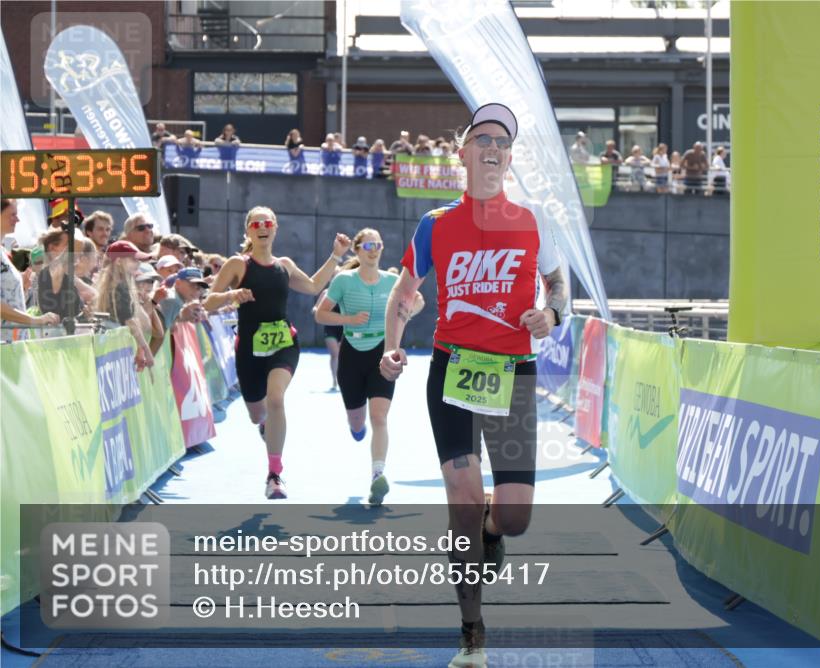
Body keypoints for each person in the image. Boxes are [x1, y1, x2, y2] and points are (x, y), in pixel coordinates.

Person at [380, 103, 567, 668]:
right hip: (453, 369)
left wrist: (551, 316)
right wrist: (392, 342)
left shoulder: (537, 221)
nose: (492, 146)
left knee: (514, 518)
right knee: (460, 499)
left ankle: (490, 522)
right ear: (461, 153)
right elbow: (403, 294)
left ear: (509, 158)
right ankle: (472, 634)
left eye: (502, 140)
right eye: (481, 137)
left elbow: (558, 287)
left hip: (512, 373)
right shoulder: (436, 224)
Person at [203, 206, 352, 499]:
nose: (262, 227)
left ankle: (274, 474)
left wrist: (336, 256)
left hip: (284, 343)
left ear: (275, 228)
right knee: (257, 413)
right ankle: (265, 426)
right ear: (248, 231)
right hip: (248, 347)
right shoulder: (237, 264)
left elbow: (311, 286)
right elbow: (209, 303)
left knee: (276, 398)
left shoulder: (284, 264)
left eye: (268, 222)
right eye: (256, 223)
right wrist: (231, 295)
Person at [314, 229, 424, 506]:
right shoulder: (344, 280)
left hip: (382, 353)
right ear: (357, 250)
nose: (373, 250)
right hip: (351, 355)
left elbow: (417, 300)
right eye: (368, 245)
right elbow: (320, 314)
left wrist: (402, 318)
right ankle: (356, 428)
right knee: (358, 421)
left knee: (380, 418)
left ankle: (377, 475)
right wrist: (349, 319)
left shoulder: (392, 281)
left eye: (378, 244)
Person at [0, 200, 60, 338]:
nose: (18, 219)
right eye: (12, 215)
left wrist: (23, 288)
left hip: (13, 343)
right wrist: (35, 320)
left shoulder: (3, 251)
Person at [94, 240, 156, 371]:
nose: (138, 264)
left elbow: (145, 324)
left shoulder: (121, 286)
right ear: (118, 261)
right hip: (110, 349)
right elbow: (132, 322)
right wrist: (147, 350)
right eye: (134, 260)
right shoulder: (119, 288)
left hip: (111, 349)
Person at [35, 229, 83, 321]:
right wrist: (72, 226)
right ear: (52, 248)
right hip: (55, 332)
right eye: (67, 245)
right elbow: (78, 243)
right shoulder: (49, 270)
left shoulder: (66, 275)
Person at [134, 262, 166, 356]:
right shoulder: (128, 298)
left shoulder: (146, 301)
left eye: (151, 281)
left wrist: (152, 303)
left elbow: (159, 333)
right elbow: (142, 324)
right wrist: (154, 302)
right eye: (146, 280)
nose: (149, 286)